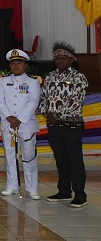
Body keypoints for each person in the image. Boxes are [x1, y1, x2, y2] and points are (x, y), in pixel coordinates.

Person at [39, 41, 89, 208]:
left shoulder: (78, 77)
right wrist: (47, 113)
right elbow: (43, 98)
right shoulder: (50, 76)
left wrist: (57, 115)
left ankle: (80, 194)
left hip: (71, 125)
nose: (59, 61)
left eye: (63, 58)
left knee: (74, 160)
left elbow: (76, 101)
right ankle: (64, 191)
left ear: (71, 60)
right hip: (53, 125)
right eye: (57, 58)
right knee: (60, 159)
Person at [0, 49, 41, 200]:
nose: (16, 66)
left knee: (29, 157)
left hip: (26, 125)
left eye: (19, 63)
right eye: (13, 63)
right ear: (10, 66)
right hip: (8, 125)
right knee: (10, 156)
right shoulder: (3, 81)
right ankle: (12, 186)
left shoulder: (33, 82)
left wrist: (19, 119)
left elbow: (33, 101)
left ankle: (32, 189)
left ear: (25, 65)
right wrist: (9, 117)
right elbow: (0, 100)